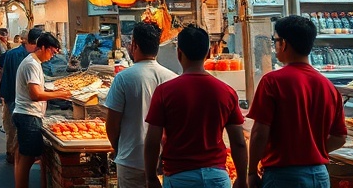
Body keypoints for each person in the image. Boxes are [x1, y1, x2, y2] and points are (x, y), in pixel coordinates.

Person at [247, 15, 346, 188]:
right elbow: (340, 137)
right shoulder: (328, 86)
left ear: (283, 43)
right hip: (320, 175)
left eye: (275, 40)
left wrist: (251, 171)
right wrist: (311, 150)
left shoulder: (272, 81)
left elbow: (260, 133)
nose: (275, 46)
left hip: (283, 176)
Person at [144, 25, 247, 188]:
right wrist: (242, 178)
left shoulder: (164, 92)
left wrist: (150, 177)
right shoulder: (226, 92)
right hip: (216, 178)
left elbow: (152, 141)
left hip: (179, 177)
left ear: (179, 53)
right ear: (208, 54)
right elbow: (239, 142)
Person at [103, 22, 177, 188]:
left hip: (130, 159)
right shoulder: (172, 78)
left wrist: (119, 147)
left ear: (134, 44)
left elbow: (112, 124)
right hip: (163, 160)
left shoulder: (123, 78)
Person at [12, 33, 72, 188]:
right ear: (43, 47)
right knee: (28, 157)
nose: (52, 56)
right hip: (28, 115)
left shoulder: (34, 62)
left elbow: (37, 89)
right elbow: (35, 94)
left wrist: (54, 90)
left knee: (21, 156)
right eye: (52, 52)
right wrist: (62, 94)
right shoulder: (32, 64)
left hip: (24, 113)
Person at [0, 27, 43, 165]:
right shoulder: (21, 57)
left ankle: (15, 154)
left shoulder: (16, 54)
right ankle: (14, 155)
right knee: (14, 128)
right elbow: (6, 76)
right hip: (16, 98)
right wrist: (5, 97)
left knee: (15, 129)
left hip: (17, 97)